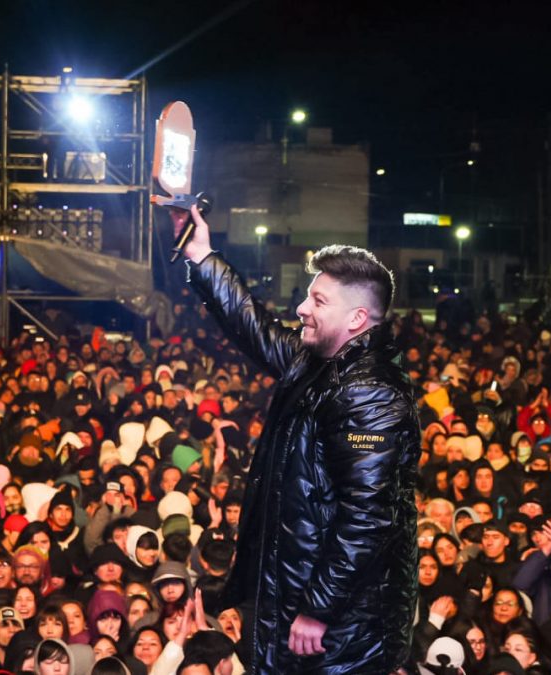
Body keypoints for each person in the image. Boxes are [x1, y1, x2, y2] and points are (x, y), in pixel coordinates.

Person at [172, 204, 421, 672]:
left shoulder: (370, 392)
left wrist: (319, 608)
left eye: (318, 301)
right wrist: (202, 256)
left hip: (342, 627)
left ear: (357, 319)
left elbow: (367, 517)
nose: (302, 308)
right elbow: (255, 328)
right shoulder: (318, 363)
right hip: (299, 596)